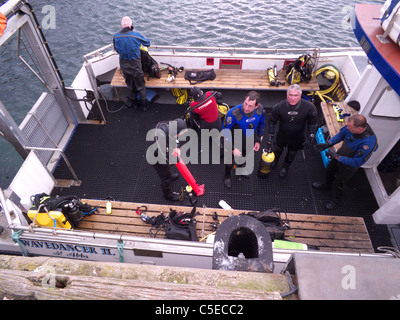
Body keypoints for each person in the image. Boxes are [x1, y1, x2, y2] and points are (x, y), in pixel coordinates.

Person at [312, 114, 378, 209]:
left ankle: (335, 199)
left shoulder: (368, 144)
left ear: (360, 129)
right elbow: (341, 135)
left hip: (349, 166)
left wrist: (337, 157)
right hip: (339, 156)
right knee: (329, 171)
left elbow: (356, 162)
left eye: (349, 127)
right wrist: (328, 144)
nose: (347, 128)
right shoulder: (350, 127)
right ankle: (326, 185)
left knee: (339, 183)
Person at [267, 84, 317, 177]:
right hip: (282, 135)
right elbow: (271, 122)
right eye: (291, 95)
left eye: (296, 95)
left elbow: (312, 123)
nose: (293, 98)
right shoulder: (279, 107)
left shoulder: (309, 107)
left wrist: (310, 136)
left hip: (297, 137)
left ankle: (285, 166)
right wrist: (271, 136)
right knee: (277, 150)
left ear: (300, 95)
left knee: (292, 153)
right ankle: (275, 161)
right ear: (287, 95)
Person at [222, 91, 265, 188]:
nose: (246, 108)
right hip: (233, 140)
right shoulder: (233, 113)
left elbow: (261, 125)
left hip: (249, 139)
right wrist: (233, 148)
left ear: (256, 106)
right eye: (245, 103)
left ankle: (240, 170)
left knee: (244, 157)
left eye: (250, 106)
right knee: (229, 161)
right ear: (244, 99)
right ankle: (227, 176)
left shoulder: (260, 110)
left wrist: (258, 140)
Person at [113, 16, 151, 111]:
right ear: (130, 25)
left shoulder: (116, 37)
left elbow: (117, 50)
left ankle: (130, 102)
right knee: (140, 85)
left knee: (129, 84)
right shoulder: (135, 35)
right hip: (135, 66)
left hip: (124, 66)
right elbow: (148, 43)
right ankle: (143, 105)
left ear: (122, 25)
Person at [147, 119, 188, 201]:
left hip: (162, 149)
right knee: (165, 176)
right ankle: (168, 195)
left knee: (168, 170)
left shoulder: (165, 124)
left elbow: (174, 139)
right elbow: (165, 159)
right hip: (156, 158)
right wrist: (176, 158)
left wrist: (176, 146)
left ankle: (169, 176)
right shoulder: (160, 141)